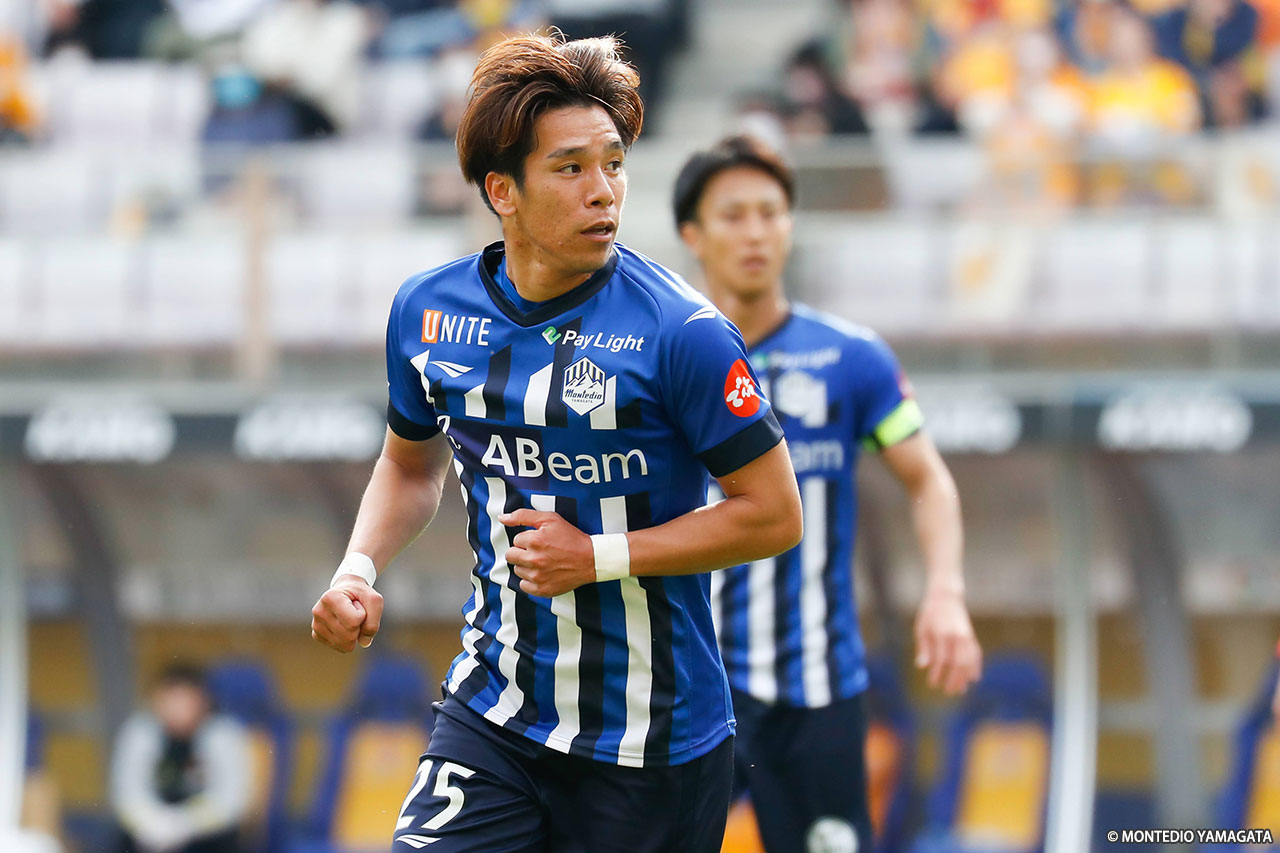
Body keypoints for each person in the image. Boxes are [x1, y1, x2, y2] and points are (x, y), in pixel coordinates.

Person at [308, 33, 804, 853]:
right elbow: (409, 464)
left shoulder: (683, 334)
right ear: (502, 190)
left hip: (652, 743)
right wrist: (356, 570)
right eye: (571, 168)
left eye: (614, 164)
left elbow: (774, 515)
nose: (603, 191)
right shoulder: (427, 312)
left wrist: (598, 555)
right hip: (496, 710)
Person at [673, 135, 984, 853]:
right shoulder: (662, 360)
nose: (756, 233)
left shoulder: (851, 357)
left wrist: (945, 590)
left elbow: (928, 479)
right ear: (693, 234)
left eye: (771, 213)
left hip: (817, 689)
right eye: (734, 216)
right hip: (691, 685)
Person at [110, 664, 251, 853]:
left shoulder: (223, 734)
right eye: (169, 700)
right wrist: (150, 823)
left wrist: (185, 824)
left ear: (203, 701)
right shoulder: (139, 731)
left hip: (207, 836)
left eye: (184, 700)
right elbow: (126, 792)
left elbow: (231, 799)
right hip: (148, 833)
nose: (176, 709)